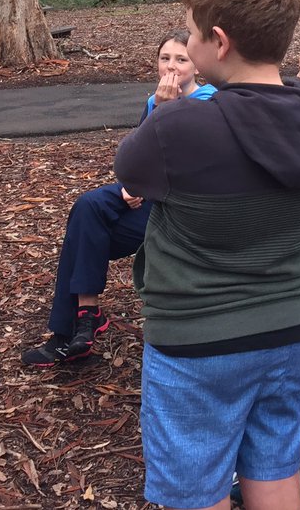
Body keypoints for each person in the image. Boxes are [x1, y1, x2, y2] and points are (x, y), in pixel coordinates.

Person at [115, 0, 300, 510]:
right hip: (287, 331)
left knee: (196, 491)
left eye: (192, 33)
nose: (187, 48)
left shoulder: (181, 127)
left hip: (196, 339)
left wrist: (166, 107)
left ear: (219, 42)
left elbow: (130, 171)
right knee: (274, 474)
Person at [21, 31, 216, 367]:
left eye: (181, 59)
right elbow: (141, 156)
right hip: (147, 196)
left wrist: (166, 108)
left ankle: (73, 328)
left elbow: (186, 164)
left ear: (197, 65)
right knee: (88, 209)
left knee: (85, 237)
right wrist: (132, 184)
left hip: (179, 207)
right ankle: (84, 318)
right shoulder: (153, 100)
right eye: (165, 58)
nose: (171, 66)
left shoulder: (209, 102)